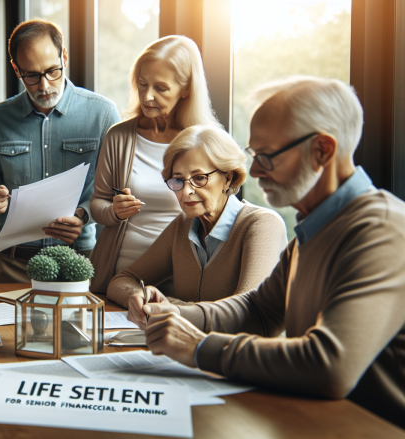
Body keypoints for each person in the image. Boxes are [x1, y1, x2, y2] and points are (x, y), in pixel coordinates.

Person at [127, 76, 405, 428]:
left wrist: (198, 348)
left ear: (323, 150)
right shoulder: (313, 231)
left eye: (268, 156)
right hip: (316, 421)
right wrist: (172, 315)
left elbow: (329, 365)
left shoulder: (382, 229)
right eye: (255, 154)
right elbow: (258, 309)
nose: (255, 171)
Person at [0, 19, 121, 282]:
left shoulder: (103, 114)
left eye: (52, 71)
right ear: (16, 69)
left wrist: (83, 215)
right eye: (31, 75)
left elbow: (116, 192)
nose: (44, 86)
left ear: (64, 56)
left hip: (79, 262)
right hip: (10, 264)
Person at [90, 35, 223, 293]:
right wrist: (115, 211)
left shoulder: (208, 142)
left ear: (186, 90)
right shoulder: (118, 136)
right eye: (142, 84)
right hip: (121, 277)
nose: (147, 96)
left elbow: (221, 214)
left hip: (183, 278)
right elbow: (97, 204)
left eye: (160, 88)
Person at [107, 125, 287, 307]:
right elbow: (122, 281)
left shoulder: (263, 225)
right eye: (178, 180)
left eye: (199, 178)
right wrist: (140, 298)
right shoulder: (183, 225)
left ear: (229, 178)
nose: (186, 191)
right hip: (182, 336)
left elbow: (248, 312)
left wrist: (170, 308)